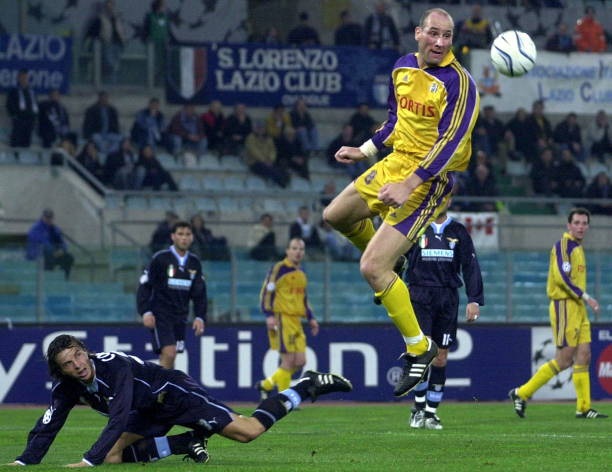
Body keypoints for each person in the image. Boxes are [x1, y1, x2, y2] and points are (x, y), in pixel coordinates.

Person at [323, 7, 480, 398]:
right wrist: (364, 150)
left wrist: (410, 184)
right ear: (417, 33)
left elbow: (450, 145)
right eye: (433, 33)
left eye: (447, 35)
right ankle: (393, 262)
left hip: (429, 181)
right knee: (335, 215)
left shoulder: (460, 83)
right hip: (395, 164)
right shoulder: (402, 68)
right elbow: (395, 121)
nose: (440, 42)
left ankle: (419, 347)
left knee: (371, 267)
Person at [10, 334, 352, 466]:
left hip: (175, 394)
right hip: (148, 410)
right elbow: (49, 422)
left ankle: (304, 386)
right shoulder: (68, 387)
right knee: (112, 456)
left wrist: (88, 461)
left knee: (248, 432)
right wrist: (25, 462)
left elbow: (119, 415)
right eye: (68, 363)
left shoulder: (113, 366)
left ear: (85, 351)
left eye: (78, 355)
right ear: (61, 370)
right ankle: (184, 443)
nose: (77, 365)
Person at [509, 208, 607, 420]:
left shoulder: (578, 248)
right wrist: (586, 296)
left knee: (584, 355)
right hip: (565, 305)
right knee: (564, 360)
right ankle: (521, 393)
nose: (581, 227)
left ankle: (583, 408)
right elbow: (562, 277)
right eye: (577, 223)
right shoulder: (563, 245)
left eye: (584, 223)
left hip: (578, 307)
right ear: (568, 225)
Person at [405, 203, 483, 430]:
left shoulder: (458, 231)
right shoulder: (417, 227)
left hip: (447, 297)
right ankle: (418, 409)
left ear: (448, 201)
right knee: (422, 353)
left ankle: (431, 413)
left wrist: (474, 299)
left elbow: (470, 265)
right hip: (420, 294)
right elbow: (398, 256)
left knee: (440, 357)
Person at [255, 238, 320, 399]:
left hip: (296, 321)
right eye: (294, 248)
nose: (298, 252)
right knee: (288, 360)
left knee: (300, 362)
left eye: (301, 249)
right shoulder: (279, 269)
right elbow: (266, 292)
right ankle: (284, 398)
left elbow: (303, 298)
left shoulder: (301, 273)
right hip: (282, 319)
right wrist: (269, 315)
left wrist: (311, 318)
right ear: (287, 251)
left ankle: (266, 385)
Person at [137, 220, 206, 369]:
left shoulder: (194, 262)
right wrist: (145, 311)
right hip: (161, 314)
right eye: (180, 234)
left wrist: (199, 316)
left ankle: (162, 383)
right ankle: (161, 384)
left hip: (181, 316)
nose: (184, 238)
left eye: (187, 234)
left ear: (192, 237)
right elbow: (145, 285)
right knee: (169, 352)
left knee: (170, 356)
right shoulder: (160, 259)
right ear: (173, 236)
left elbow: (199, 293)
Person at [25, 209, 74, 280]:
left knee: (68, 258)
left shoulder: (53, 228)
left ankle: (64, 279)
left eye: (50, 218)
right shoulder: (36, 228)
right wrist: (54, 251)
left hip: (52, 253)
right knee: (48, 251)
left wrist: (62, 249)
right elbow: (40, 243)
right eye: (47, 217)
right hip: (38, 255)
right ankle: (47, 277)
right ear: (43, 217)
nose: (48, 219)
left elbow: (62, 242)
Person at [86, 0, 127, 83]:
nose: (110, 7)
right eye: (109, 5)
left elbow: (121, 29)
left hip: (118, 44)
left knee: (115, 65)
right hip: (107, 43)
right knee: (110, 64)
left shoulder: (117, 18)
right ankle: (111, 83)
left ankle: (113, 83)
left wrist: (124, 39)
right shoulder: (101, 18)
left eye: (112, 5)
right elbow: (95, 31)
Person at [244, 120, 289, 188]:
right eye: (258, 128)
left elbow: (273, 150)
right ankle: (281, 184)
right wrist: (264, 160)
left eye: (262, 128)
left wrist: (271, 159)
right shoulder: (250, 138)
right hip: (255, 162)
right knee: (271, 170)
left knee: (282, 169)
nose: (260, 129)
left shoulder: (269, 138)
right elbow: (253, 151)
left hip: (269, 162)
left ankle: (284, 183)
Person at [5, 69, 38, 148]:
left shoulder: (31, 91)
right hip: (19, 119)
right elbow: (9, 104)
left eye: (26, 77)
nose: (24, 79)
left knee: (26, 142)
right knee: (15, 141)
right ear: (18, 78)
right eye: (22, 77)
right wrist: (15, 115)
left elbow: (35, 104)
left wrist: (34, 117)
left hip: (30, 120)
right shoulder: (14, 91)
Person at [143, 0, 173, 86]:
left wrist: (169, 41)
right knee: (153, 64)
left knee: (163, 65)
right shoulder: (150, 16)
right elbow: (145, 29)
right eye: (163, 6)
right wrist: (146, 40)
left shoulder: (165, 17)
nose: (165, 8)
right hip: (153, 45)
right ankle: (151, 83)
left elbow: (169, 30)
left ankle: (160, 82)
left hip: (163, 45)